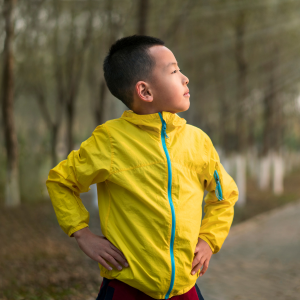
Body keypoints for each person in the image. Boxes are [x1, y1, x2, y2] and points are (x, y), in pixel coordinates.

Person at [46, 35, 239, 300]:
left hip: (185, 288)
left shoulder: (197, 141)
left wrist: (208, 240)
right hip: (127, 288)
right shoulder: (111, 141)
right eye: (173, 71)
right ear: (145, 91)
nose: (185, 78)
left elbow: (224, 195)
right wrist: (82, 234)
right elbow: (61, 181)